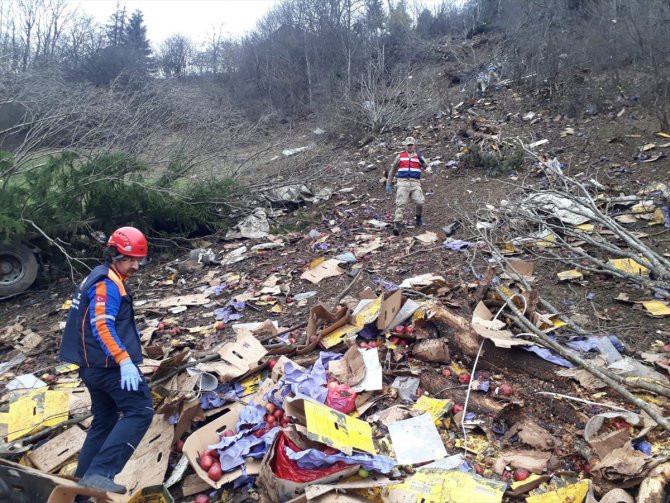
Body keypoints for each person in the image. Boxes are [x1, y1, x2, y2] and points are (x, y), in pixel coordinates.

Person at [59, 226, 154, 495]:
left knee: (105, 418)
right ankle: (101, 472)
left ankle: (79, 490)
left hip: (92, 368)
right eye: (130, 259)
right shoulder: (106, 284)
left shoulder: (101, 276)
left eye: (139, 259)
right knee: (140, 410)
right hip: (107, 366)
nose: (136, 265)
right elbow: (102, 325)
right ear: (113, 254)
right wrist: (124, 360)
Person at [386, 136, 428, 235]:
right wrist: (389, 183)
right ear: (405, 146)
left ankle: (418, 218)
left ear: (414, 145)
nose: (409, 147)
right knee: (400, 203)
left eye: (411, 145)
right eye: (408, 145)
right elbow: (393, 170)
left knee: (420, 202)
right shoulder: (400, 156)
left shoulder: (419, 157)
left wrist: (428, 169)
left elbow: (427, 167)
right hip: (402, 182)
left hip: (415, 183)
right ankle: (397, 224)